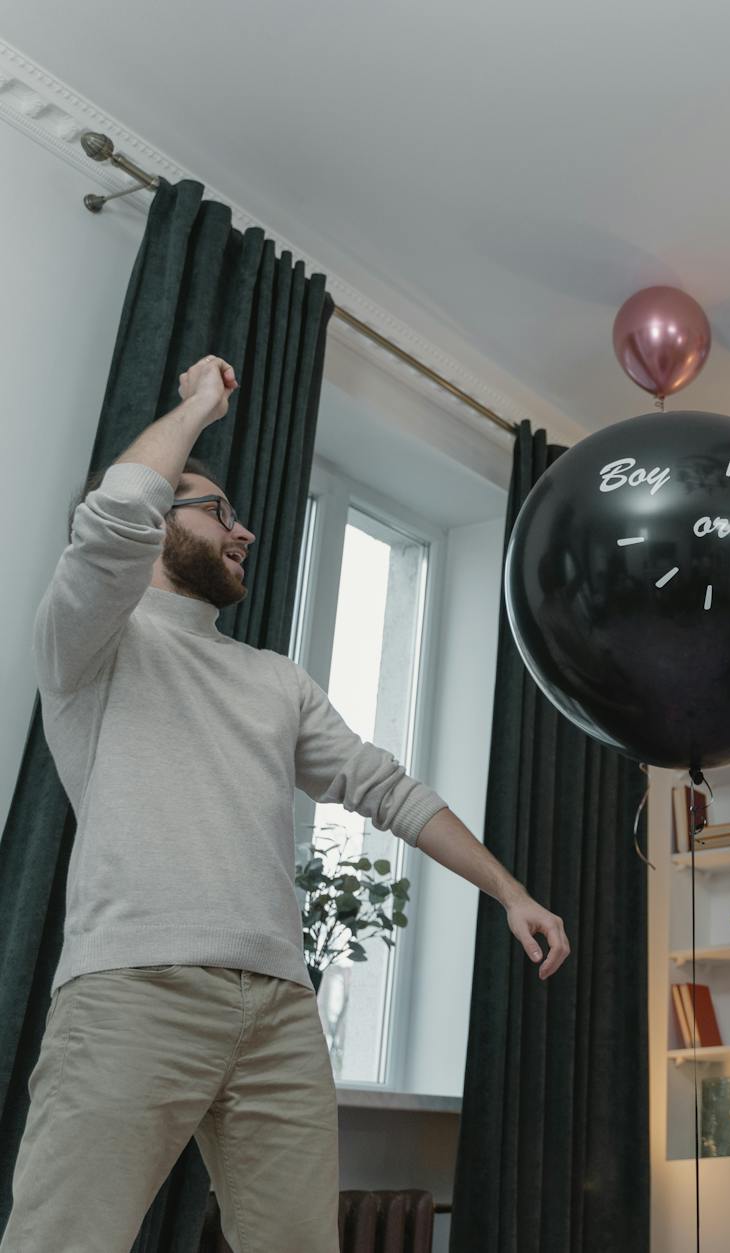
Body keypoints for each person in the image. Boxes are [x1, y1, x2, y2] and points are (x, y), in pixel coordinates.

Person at [2, 357, 569, 1253]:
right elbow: (113, 514)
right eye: (218, 511)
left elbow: (386, 788)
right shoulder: (89, 643)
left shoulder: (275, 680)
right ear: (162, 521)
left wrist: (510, 890)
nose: (246, 530)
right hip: (134, 988)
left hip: (278, 1010)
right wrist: (199, 405)